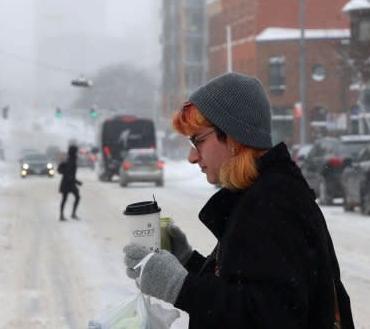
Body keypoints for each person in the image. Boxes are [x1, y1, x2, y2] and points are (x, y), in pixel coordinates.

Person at [122, 72, 354, 328]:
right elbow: (252, 286)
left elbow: (273, 316)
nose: (191, 156)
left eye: (198, 140)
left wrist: (181, 287)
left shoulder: (272, 204)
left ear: (233, 137)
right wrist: (190, 264)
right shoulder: (264, 193)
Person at [58, 143, 82, 221]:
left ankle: (63, 215)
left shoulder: (70, 159)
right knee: (76, 197)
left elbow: (63, 171)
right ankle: (70, 214)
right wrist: (77, 181)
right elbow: (68, 173)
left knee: (65, 199)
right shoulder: (71, 160)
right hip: (69, 183)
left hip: (67, 182)